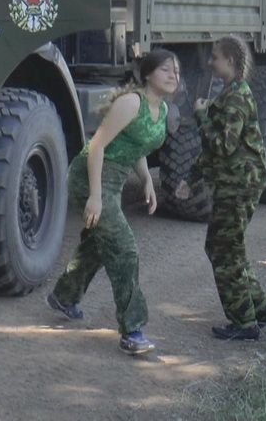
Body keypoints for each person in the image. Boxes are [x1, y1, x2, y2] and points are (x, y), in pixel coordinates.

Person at [46, 49, 180, 356]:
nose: (174, 76)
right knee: (124, 248)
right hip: (90, 176)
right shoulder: (131, 102)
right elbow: (96, 146)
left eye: (177, 71)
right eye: (166, 70)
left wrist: (146, 179)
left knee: (100, 241)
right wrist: (94, 195)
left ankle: (64, 297)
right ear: (148, 74)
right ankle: (133, 330)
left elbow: (137, 144)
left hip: (114, 180)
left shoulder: (159, 109)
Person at [193, 35, 266, 341]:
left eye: (215, 57)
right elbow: (215, 153)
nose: (210, 62)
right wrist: (189, 180)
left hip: (239, 184)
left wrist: (202, 116)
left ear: (229, 61)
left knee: (222, 250)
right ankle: (259, 306)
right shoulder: (231, 93)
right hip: (235, 181)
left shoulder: (237, 97)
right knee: (229, 248)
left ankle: (244, 322)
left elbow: (224, 145)